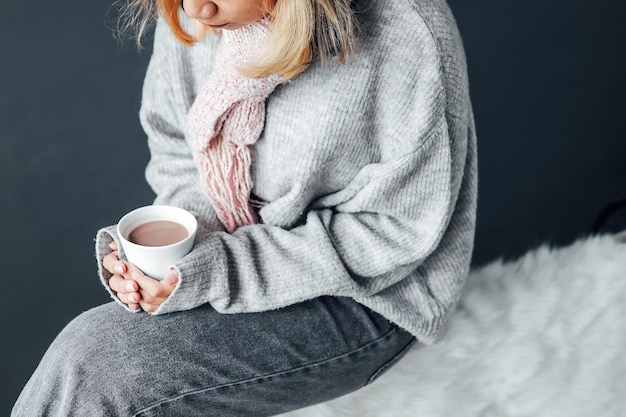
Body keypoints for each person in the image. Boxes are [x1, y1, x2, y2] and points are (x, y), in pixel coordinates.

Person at [12, 0, 477, 415]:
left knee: (99, 363)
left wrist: (219, 270)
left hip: (369, 297)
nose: (196, 10)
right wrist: (175, 259)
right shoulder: (190, 11)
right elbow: (179, 150)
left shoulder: (406, 33)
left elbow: (393, 232)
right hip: (240, 261)